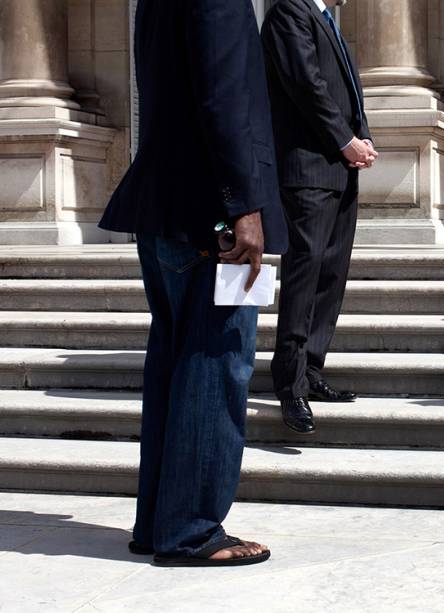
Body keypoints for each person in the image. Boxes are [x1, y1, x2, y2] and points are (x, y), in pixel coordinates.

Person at [99, 0, 287, 566]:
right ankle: (192, 530)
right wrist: (243, 207)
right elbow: (225, 98)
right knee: (216, 360)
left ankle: (160, 522)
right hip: (212, 214)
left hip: (166, 207)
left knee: (175, 364)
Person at [262, 0, 377, 434]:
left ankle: (311, 371)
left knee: (331, 274)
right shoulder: (289, 12)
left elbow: (344, 90)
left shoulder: (329, 22)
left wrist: (361, 136)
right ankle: (289, 386)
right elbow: (306, 86)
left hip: (340, 170)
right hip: (307, 169)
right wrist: (346, 140)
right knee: (304, 274)